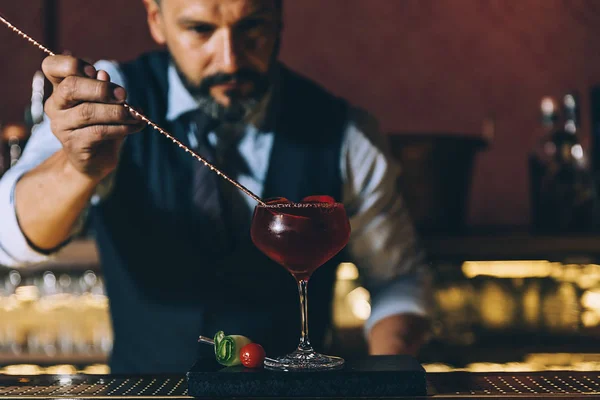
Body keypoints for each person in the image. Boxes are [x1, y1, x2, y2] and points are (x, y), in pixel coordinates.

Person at [0, 0, 432, 373]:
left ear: (280, 16)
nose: (229, 60)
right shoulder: (108, 98)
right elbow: (9, 237)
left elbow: (398, 279)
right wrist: (76, 169)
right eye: (200, 29)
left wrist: (387, 377)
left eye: (252, 26)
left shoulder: (345, 131)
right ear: (156, 19)